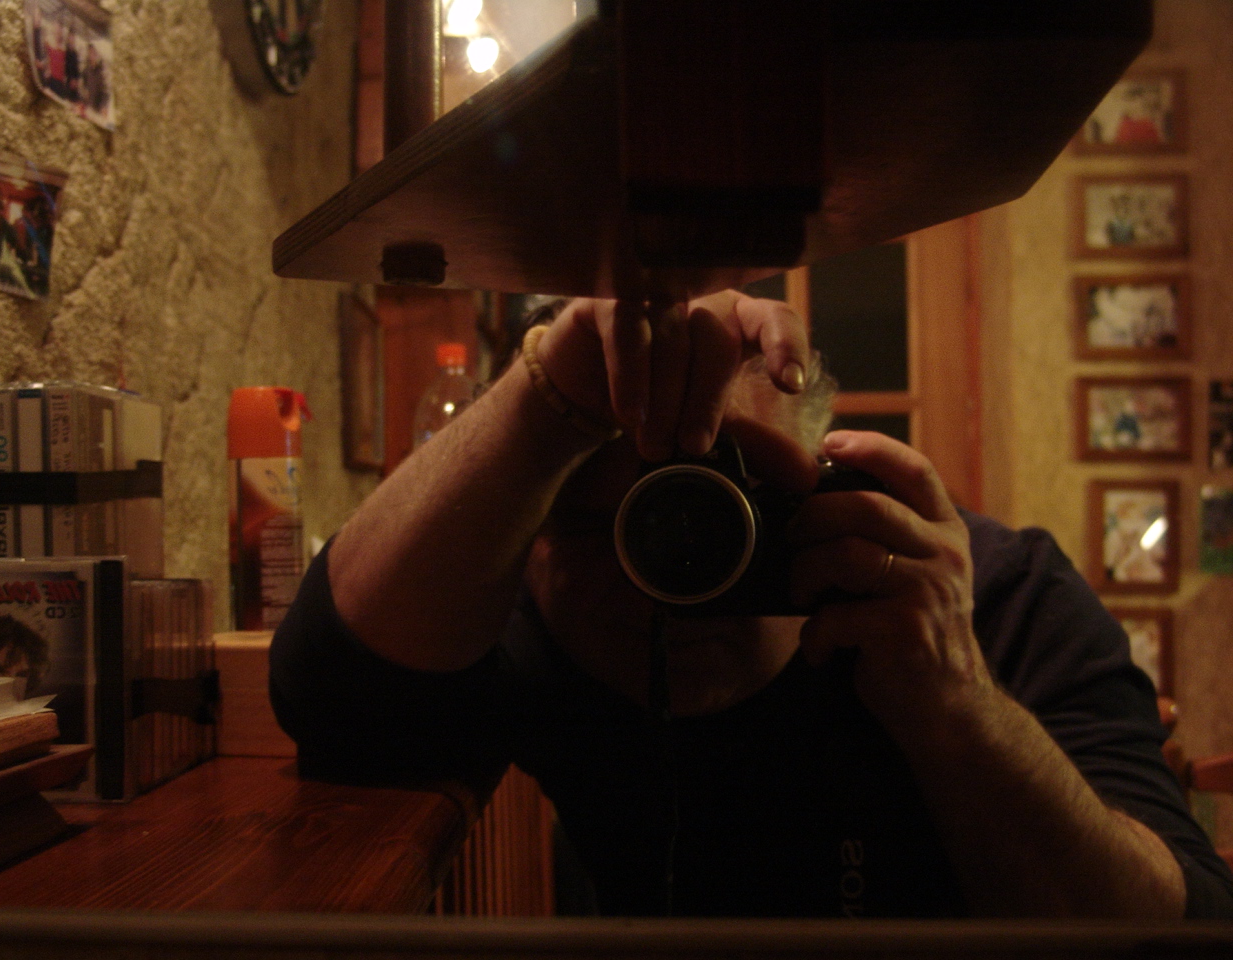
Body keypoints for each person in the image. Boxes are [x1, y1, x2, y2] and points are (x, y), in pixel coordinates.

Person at [270, 292, 1233, 918]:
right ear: (544, 534)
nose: (677, 575)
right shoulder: (547, 605)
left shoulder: (988, 594)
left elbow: (1182, 929)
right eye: (632, 519)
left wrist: (954, 701)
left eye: (733, 504)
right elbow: (333, 698)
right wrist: (543, 400)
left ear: (830, 481)